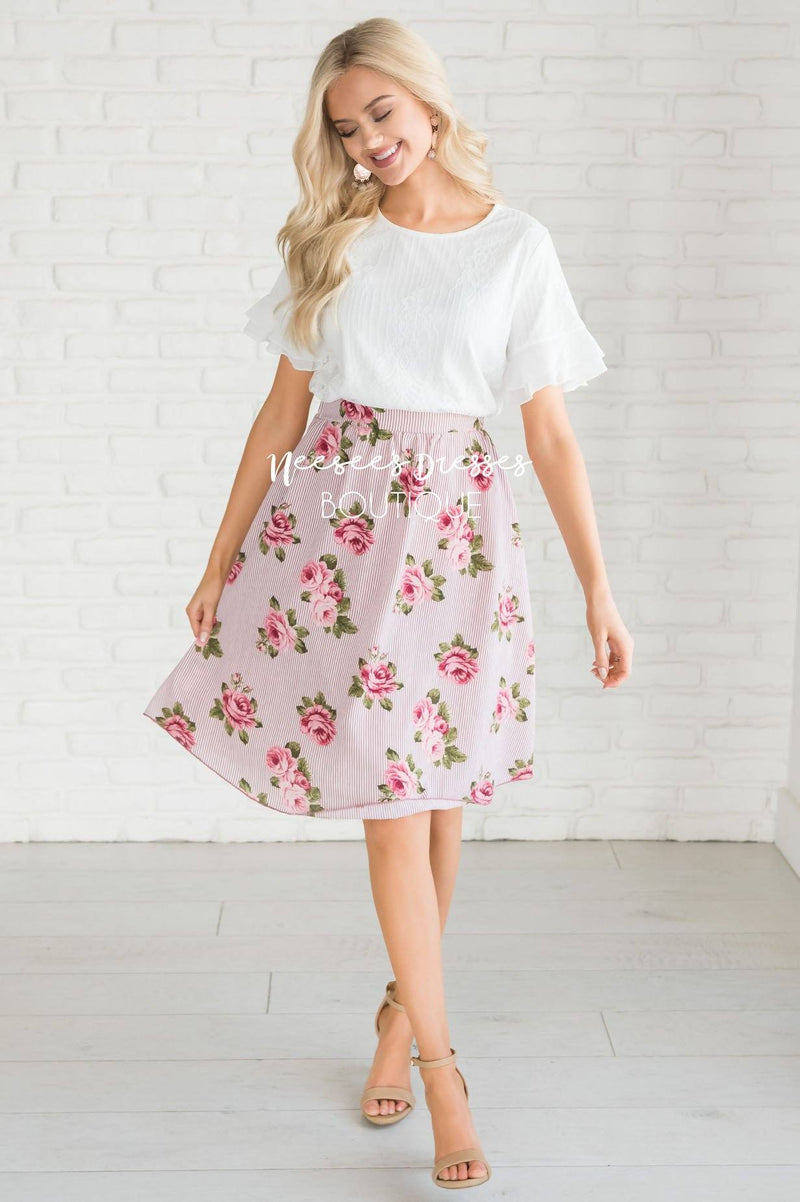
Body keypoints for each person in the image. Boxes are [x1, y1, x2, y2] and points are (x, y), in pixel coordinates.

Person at [142, 16, 633, 1190]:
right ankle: (442, 1070)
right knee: (390, 804)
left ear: (426, 102)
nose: (367, 141)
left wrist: (597, 588)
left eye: (380, 114)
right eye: (345, 128)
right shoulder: (338, 242)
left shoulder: (515, 246)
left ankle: (396, 1016)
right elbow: (280, 416)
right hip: (339, 539)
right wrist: (217, 558)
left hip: (459, 539)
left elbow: (548, 435)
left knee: (441, 800)